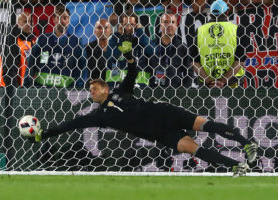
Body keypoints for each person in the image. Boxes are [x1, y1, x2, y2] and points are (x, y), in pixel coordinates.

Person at [26, 42, 257, 177]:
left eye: (95, 88)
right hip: (161, 134)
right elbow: (70, 125)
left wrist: (128, 56)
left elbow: (134, 71)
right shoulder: (98, 116)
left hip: (167, 113)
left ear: (106, 88)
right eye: (91, 90)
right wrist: (43, 134)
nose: (92, 92)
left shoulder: (122, 91)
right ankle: (237, 166)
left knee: (207, 125)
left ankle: (245, 142)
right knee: (193, 149)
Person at [190, 0, 249, 88]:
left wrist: (209, 81)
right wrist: (223, 81)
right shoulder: (237, 30)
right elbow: (239, 61)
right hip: (232, 84)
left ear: (210, 14)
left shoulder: (200, 31)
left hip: (207, 85)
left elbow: (194, 62)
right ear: (227, 12)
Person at [25, 4, 86, 88]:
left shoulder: (77, 42)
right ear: (54, 19)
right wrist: (27, 86)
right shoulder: (42, 39)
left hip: (66, 93)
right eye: (59, 18)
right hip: (42, 91)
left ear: (69, 20)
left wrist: (77, 88)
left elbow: (84, 67)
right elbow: (30, 64)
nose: (62, 21)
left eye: (65, 18)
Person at [107, 13, 154, 87]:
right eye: (126, 24)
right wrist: (119, 35)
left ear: (136, 25)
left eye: (132, 24)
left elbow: (151, 52)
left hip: (139, 86)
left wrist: (140, 32)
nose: (129, 27)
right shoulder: (115, 39)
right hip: (117, 85)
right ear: (121, 25)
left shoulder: (142, 39)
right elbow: (109, 57)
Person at [151, 12, 192, 88]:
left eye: (172, 22)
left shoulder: (183, 48)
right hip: (154, 93)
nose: (169, 25)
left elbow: (189, 74)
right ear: (160, 25)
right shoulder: (151, 45)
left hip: (175, 93)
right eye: (166, 22)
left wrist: (181, 92)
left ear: (176, 26)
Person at [0, 11, 35, 87]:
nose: (29, 24)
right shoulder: (12, 41)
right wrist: (15, 88)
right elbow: (9, 69)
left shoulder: (34, 42)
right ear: (17, 24)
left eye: (31, 21)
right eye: (25, 21)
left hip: (26, 87)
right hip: (8, 87)